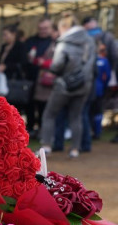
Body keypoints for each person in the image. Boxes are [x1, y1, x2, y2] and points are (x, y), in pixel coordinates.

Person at [36, 12, 95, 159]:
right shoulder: (89, 41)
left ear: (64, 27)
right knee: (76, 116)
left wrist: (48, 67)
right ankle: (75, 149)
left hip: (64, 85)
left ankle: (47, 146)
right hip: (84, 84)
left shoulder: (64, 42)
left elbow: (56, 66)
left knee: (49, 114)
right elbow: (91, 64)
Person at [23, 18, 56, 133]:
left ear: (51, 28)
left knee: (44, 106)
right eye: (41, 28)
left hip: (46, 81)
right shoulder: (31, 41)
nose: (43, 31)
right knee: (29, 105)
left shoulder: (54, 42)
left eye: (46, 28)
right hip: (31, 78)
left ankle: (43, 129)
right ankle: (31, 127)